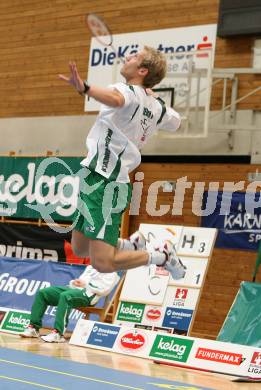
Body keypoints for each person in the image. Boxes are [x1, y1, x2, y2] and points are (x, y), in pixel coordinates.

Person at [59, 46, 186, 280]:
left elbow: (116, 100)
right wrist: (153, 99)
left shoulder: (125, 90)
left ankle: (162, 256)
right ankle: (132, 244)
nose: (127, 57)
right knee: (80, 247)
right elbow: (177, 122)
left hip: (106, 184)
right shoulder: (156, 107)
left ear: (142, 71)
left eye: (134, 56)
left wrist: (85, 88)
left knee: (103, 263)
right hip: (94, 177)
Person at [20, 265, 120, 343]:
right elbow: (80, 281)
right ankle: (34, 328)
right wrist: (74, 283)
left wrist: (86, 285)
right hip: (74, 289)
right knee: (43, 293)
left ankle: (58, 334)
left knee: (65, 296)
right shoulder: (91, 267)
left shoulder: (112, 273)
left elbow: (104, 290)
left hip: (89, 295)